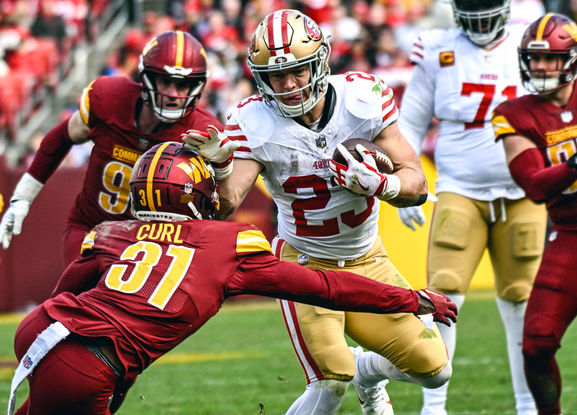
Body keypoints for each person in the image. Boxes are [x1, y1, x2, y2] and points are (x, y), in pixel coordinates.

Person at [7, 142, 458, 415]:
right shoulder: (226, 244)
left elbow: (65, 292)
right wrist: (408, 299)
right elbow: (325, 286)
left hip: (48, 332)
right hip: (92, 362)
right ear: (195, 193)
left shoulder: (112, 234)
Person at [183, 9, 453, 415]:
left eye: (298, 70)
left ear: (321, 63)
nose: (289, 85)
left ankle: (368, 373)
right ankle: (352, 373)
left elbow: (416, 183)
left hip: (369, 259)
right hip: (304, 264)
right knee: (330, 381)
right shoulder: (253, 120)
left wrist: (382, 186)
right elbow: (227, 204)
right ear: (262, 78)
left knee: (435, 371)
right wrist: (219, 169)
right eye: (277, 76)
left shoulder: (362, 99)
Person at [395, 1, 547, 414]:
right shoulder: (438, 50)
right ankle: (434, 406)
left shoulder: (531, 41)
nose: (479, 16)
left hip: (523, 192)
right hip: (460, 189)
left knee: (521, 302)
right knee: (444, 295)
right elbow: (409, 123)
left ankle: (527, 406)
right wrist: (405, 181)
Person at [0, 30, 222, 268]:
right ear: (146, 78)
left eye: (183, 85)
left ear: (197, 85)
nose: (173, 94)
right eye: (165, 81)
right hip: (91, 231)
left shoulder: (204, 132)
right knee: (75, 301)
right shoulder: (109, 97)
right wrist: (23, 196)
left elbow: (220, 205)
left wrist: (224, 167)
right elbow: (62, 136)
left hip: (153, 245)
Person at [492, 13, 577, 415]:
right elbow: (533, 184)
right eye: (533, 59)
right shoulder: (515, 113)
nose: (540, 67)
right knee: (536, 341)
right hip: (572, 234)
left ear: (573, 58)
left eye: (550, 59)